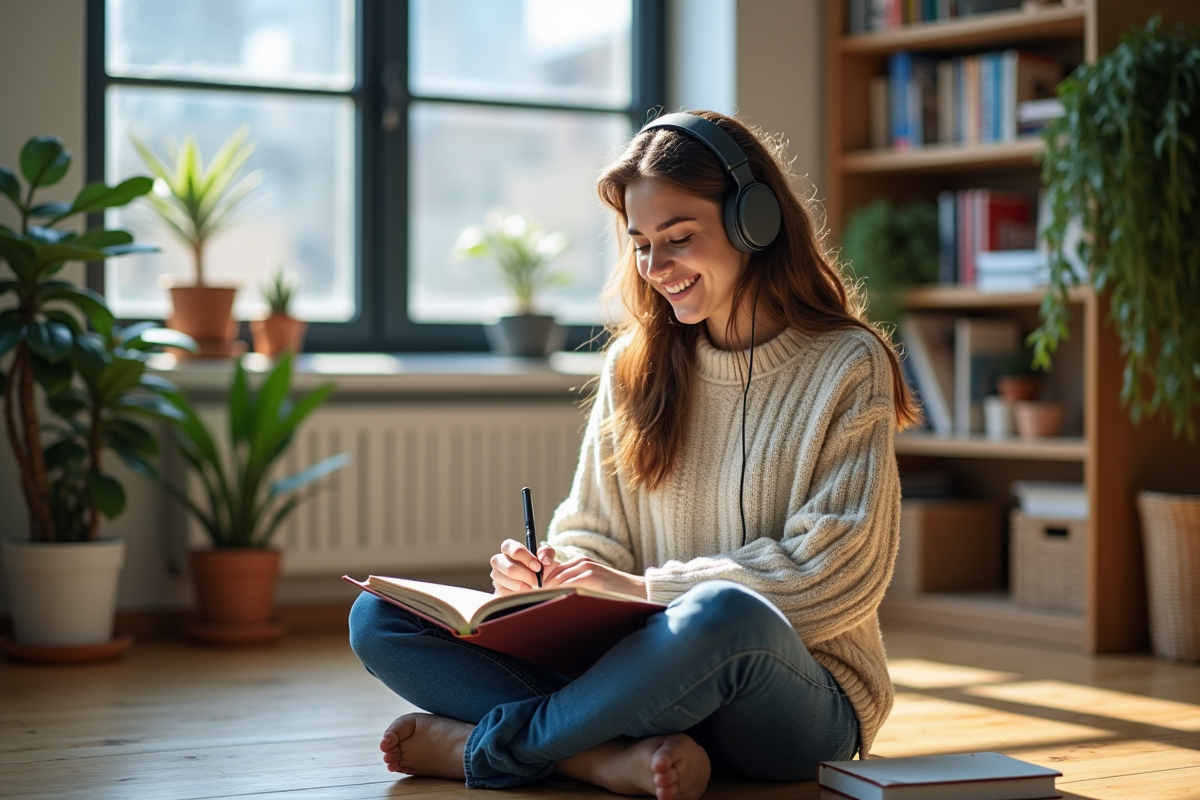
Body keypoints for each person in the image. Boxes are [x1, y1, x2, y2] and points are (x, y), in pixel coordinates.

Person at [348, 110, 918, 800]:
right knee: (378, 617)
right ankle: (598, 757)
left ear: (754, 223)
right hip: (637, 684)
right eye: (641, 243)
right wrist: (548, 578)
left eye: (679, 238)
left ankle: (495, 747)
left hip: (789, 700)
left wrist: (644, 592)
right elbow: (593, 533)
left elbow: (837, 574)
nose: (655, 267)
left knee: (722, 613)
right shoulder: (633, 366)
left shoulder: (847, 364)